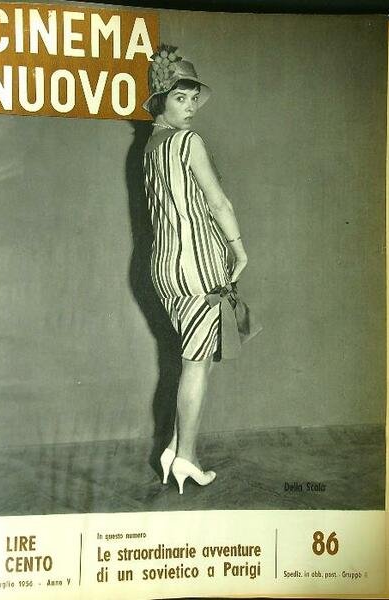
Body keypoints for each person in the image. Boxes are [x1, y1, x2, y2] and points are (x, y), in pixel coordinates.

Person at [142, 45, 248, 495]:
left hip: (163, 268)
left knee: (193, 360)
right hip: (198, 267)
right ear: (161, 101)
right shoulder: (188, 142)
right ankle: (187, 456)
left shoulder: (150, 149)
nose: (189, 107)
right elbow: (218, 203)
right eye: (179, 98)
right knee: (197, 365)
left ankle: (172, 449)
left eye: (192, 99)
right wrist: (238, 248)